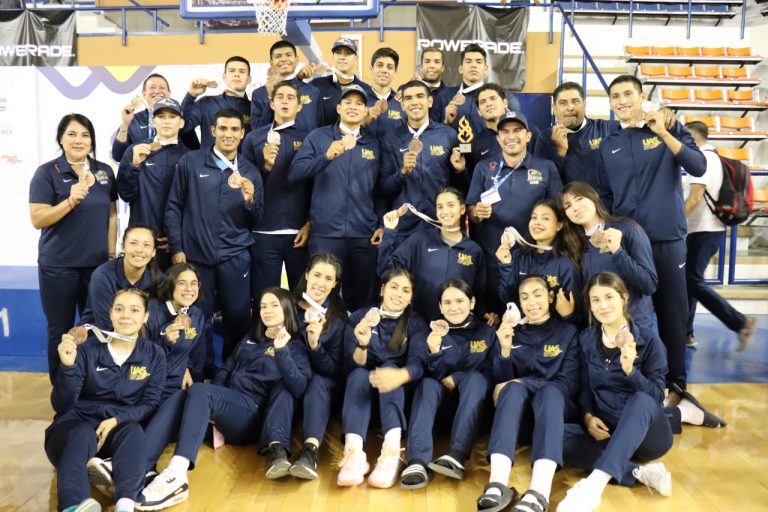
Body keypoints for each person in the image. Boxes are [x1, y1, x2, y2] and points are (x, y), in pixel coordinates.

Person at [558, 272, 719, 512]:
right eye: (595, 300)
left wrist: (630, 371)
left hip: (647, 436)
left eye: (609, 297)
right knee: (555, 437)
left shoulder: (649, 340)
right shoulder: (586, 339)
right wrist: (588, 416)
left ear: (624, 297)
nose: (602, 305)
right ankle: (637, 472)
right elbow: (585, 388)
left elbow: (655, 397)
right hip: (608, 431)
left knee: (641, 400)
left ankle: (593, 485)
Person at [138, 288, 310, 511]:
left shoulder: (295, 345)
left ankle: (177, 474)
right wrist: (213, 409)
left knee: (200, 390)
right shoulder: (251, 338)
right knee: (184, 395)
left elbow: (299, 387)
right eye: (264, 306)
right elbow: (226, 368)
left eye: (274, 305)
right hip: (228, 403)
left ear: (287, 309)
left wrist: (281, 350)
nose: (267, 310)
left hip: (252, 413)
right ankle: (140, 465)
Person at [595, 74, 706, 399]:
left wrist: (663, 132)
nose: (622, 101)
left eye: (628, 94)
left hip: (667, 239)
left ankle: (677, 384)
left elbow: (698, 166)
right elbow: (603, 194)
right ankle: (638, 379)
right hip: (628, 243)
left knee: (673, 314)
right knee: (631, 314)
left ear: (642, 96)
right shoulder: (609, 143)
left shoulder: (669, 127)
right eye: (615, 96)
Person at [86, 266, 205, 500]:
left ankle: (127, 469)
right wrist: (167, 342)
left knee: (182, 401)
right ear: (170, 284)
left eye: (194, 284)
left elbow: (196, 350)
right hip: (148, 386)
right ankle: (137, 469)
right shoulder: (153, 313)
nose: (189, 289)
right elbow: (142, 356)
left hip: (175, 388)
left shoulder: (197, 315)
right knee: (150, 417)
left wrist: (189, 369)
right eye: (182, 283)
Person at [46, 289, 166, 512]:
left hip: (114, 432)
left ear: (146, 316)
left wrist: (117, 420)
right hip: (71, 430)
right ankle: (74, 506)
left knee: (133, 432)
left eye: (135, 310)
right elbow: (61, 405)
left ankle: (125, 504)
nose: (126, 315)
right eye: (119, 309)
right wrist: (68, 367)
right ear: (110, 314)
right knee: (82, 434)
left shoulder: (154, 354)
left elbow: (149, 403)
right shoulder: (85, 350)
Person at [165, 108, 264, 372]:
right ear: (213, 131)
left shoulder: (251, 172)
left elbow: (256, 220)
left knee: (237, 319)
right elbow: (174, 206)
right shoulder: (191, 162)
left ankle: (234, 373)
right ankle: (201, 373)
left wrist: (250, 201)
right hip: (196, 258)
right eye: (223, 129)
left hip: (235, 256)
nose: (228, 135)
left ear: (242, 134)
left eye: (234, 130)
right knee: (198, 319)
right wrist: (177, 248)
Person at [476, 275, 580, 512]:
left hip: (556, 414)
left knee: (550, 392)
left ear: (550, 297)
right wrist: (503, 349)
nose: (531, 302)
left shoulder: (569, 332)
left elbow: (568, 384)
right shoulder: (513, 331)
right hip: (521, 420)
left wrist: (523, 381)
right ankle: (497, 483)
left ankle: (539, 491)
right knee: (512, 388)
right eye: (524, 297)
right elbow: (500, 386)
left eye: (538, 294)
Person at [29, 113, 118, 381]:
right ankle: (62, 389)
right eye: (72, 134)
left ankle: (93, 384)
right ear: (61, 139)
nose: (79, 140)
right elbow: (38, 218)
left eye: (85, 135)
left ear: (92, 141)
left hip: (97, 266)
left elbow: (112, 215)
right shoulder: (47, 173)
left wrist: (111, 255)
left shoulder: (104, 171)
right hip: (58, 266)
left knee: (97, 327)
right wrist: (70, 201)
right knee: (61, 329)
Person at [289, 84, 385, 311]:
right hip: (325, 234)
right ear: (338, 108)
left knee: (361, 300)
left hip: (363, 236)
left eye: (359, 104)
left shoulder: (374, 144)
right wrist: (326, 156)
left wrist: (380, 223)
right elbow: (295, 174)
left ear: (365, 112)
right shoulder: (318, 137)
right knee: (318, 299)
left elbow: (380, 189)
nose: (353, 107)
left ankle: (355, 344)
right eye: (348, 103)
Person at [337, 269, 428, 488]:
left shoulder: (415, 323)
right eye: (394, 287)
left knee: (389, 367)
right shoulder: (360, 317)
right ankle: (354, 453)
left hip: (398, 398)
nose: (399, 294)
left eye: (406, 290)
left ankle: (392, 453)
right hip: (362, 394)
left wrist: (398, 375)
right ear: (382, 289)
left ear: (411, 297)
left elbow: (418, 364)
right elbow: (352, 364)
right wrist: (362, 344)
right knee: (359, 374)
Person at [400, 280, 495, 489]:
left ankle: (457, 456)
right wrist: (434, 353)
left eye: (460, 301)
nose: (454, 307)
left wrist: (458, 377)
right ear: (440, 307)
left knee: (475, 379)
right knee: (426, 384)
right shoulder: (433, 332)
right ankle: (417, 462)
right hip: (441, 411)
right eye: (447, 303)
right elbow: (434, 377)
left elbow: (493, 373)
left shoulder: (488, 330)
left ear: (472, 302)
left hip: (476, 411)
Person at [260, 253, 347, 480]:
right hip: (292, 375)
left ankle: (310, 452)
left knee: (317, 383)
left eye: (329, 278)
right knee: (283, 386)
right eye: (317, 275)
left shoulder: (338, 316)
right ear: (307, 274)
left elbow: (334, 369)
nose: (321, 283)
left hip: (320, 380)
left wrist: (315, 345)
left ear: (335, 283)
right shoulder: (286, 303)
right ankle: (277, 451)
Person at [468, 111, 562, 314]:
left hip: (534, 257)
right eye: (505, 132)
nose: (511, 136)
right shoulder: (483, 168)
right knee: (498, 314)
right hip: (494, 256)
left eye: (517, 130)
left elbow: (557, 213)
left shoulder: (546, 168)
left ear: (528, 136)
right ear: (498, 138)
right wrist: (476, 211)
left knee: (535, 311)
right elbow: (471, 212)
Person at [683, 121, 757, 351]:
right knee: (691, 282)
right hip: (708, 231)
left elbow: (695, 198)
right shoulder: (713, 157)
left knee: (692, 281)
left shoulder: (703, 160)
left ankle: (741, 323)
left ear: (693, 137)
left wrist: (676, 223)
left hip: (702, 231)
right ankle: (687, 333)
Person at [241, 80, 311, 303]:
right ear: (271, 103)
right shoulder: (254, 138)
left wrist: (310, 222)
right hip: (263, 233)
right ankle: (264, 339)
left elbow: (317, 184)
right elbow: (245, 185)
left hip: (299, 234)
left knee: (303, 301)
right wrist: (266, 166)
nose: (285, 102)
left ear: (299, 106)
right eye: (280, 97)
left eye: (291, 98)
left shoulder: (311, 137)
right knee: (267, 300)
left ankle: (300, 339)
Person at [535, 82, 675, 188]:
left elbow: (640, 123)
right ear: (554, 108)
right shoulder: (545, 138)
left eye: (575, 101)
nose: (570, 107)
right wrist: (560, 153)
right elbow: (541, 182)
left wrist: (664, 111)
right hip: (570, 211)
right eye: (563, 103)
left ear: (584, 104)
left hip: (607, 209)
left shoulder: (608, 128)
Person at [378, 188, 488, 322]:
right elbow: (386, 272)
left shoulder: (474, 250)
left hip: (458, 328)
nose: (445, 211)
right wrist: (389, 231)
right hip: (419, 324)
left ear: (462, 209)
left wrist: (484, 313)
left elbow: (479, 292)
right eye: (440, 207)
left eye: (451, 205)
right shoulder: (419, 240)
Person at [559, 182, 656, 329]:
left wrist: (617, 251)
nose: (576, 208)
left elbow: (648, 285)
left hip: (635, 327)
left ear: (594, 197)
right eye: (568, 206)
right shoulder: (573, 245)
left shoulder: (628, 229)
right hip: (599, 333)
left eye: (579, 199)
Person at [380, 80, 466, 242]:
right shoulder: (391, 138)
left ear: (430, 101)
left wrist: (460, 171)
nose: (414, 102)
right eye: (409, 98)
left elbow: (460, 187)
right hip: (404, 227)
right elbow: (384, 189)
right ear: (403, 105)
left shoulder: (448, 135)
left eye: (420, 96)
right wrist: (402, 172)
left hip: (440, 223)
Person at [117, 97, 190, 271]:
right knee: (140, 297)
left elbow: (192, 205)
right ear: (153, 121)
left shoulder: (191, 157)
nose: (166, 121)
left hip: (175, 248)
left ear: (181, 123)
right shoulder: (135, 150)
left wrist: (176, 240)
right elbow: (125, 194)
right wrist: (133, 165)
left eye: (172, 117)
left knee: (172, 297)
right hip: (141, 246)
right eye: (161, 116)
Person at [496, 200, 582, 321]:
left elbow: (576, 311)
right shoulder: (518, 256)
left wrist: (568, 316)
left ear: (559, 225)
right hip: (523, 330)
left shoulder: (567, 263)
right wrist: (506, 266)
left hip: (556, 331)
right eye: (534, 218)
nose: (537, 223)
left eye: (545, 218)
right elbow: (508, 300)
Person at [441, 44, 520, 157]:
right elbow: (435, 135)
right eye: (468, 62)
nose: (473, 65)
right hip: (455, 159)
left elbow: (514, 130)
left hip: (491, 159)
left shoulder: (506, 98)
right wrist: (446, 123)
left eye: (478, 62)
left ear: (486, 68)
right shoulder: (445, 97)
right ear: (460, 68)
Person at [80, 224, 162, 330]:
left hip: (139, 335)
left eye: (146, 245)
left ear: (153, 252)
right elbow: (106, 324)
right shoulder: (102, 276)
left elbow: (158, 318)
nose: (139, 250)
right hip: (100, 335)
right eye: (133, 243)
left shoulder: (158, 278)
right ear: (123, 247)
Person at [181, 56, 252, 149]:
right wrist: (191, 95)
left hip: (243, 163)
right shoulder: (206, 103)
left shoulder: (255, 108)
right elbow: (182, 126)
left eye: (242, 71)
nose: (236, 74)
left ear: (249, 79)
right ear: (224, 77)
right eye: (232, 71)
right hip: (208, 163)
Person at [250, 40, 322, 132]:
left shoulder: (313, 91)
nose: (284, 59)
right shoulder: (259, 94)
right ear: (271, 63)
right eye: (278, 56)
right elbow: (257, 132)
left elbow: (320, 128)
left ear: (296, 60)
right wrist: (270, 97)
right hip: (274, 146)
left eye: (288, 55)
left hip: (307, 146)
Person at [112, 74, 187, 162]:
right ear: (144, 94)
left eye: (162, 87)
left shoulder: (179, 120)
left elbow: (194, 152)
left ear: (169, 93)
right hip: (139, 172)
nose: (157, 91)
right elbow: (118, 156)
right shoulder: (133, 120)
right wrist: (125, 124)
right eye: (152, 87)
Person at [310, 37, 375, 126]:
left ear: (356, 58)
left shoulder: (366, 90)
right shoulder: (317, 85)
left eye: (348, 53)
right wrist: (299, 78)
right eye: (338, 52)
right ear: (333, 56)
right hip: (323, 139)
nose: (342, 57)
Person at [365, 47, 406, 138]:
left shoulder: (402, 103)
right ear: (371, 69)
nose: (384, 70)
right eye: (379, 65)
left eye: (389, 67)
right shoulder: (360, 100)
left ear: (395, 73)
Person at [416, 46, 449, 123]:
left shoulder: (451, 96)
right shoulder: (407, 92)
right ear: (421, 67)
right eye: (427, 61)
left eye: (437, 62)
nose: (432, 66)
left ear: (443, 67)